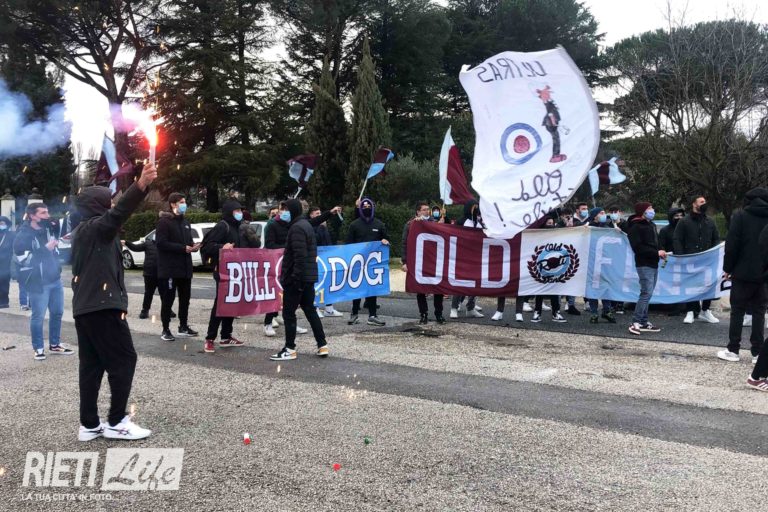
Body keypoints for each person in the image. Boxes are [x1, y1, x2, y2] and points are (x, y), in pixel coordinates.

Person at [71, 163, 157, 441]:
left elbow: (115, 216)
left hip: (88, 308)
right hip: (102, 307)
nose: (111, 205)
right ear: (97, 206)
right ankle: (117, 421)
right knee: (125, 359)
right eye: (107, 201)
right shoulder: (94, 228)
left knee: (92, 366)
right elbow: (118, 213)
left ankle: (89, 424)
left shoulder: (88, 230)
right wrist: (140, 185)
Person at [269, 199, 329, 361]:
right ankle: (322, 344)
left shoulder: (296, 228)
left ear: (293, 210)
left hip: (297, 279)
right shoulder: (305, 225)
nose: (283, 213)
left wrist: (294, 278)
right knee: (310, 310)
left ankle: (289, 348)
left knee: (288, 313)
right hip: (308, 277)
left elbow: (299, 256)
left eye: (286, 209)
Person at [13, 203, 72, 360]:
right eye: (43, 213)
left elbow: (65, 227)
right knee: (38, 316)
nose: (48, 215)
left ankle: (55, 344)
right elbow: (24, 260)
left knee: (57, 313)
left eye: (47, 212)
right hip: (38, 282)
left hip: (55, 280)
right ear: (32, 216)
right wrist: (45, 249)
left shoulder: (49, 228)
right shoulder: (22, 235)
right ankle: (38, 348)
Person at [720, 188, 768, 364]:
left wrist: (728, 268)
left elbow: (732, 245)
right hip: (764, 273)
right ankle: (757, 352)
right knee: (759, 312)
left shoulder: (740, 216)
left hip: (742, 271)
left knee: (738, 311)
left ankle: (733, 349)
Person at [202, 199, 248, 353]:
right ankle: (210, 338)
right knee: (220, 304)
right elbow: (208, 246)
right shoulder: (222, 226)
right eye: (237, 211)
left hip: (235, 271)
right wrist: (222, 246)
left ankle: (226, 336)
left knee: (232, 302)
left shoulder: (238, 227)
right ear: (229, 212)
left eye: (240, 211)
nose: (240, 214)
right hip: (222, 271)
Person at [156, 193, 200, 341]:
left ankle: (183, 326)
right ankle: (165, 329)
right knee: (168, 300)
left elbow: (188, 242)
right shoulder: (164, 222)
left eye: (184, 202)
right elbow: (161, 243)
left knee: (185, 299)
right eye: (181, 202)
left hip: (185, 268)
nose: (184, 205)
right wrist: (182, 248)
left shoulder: (185, 222)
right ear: (173, 204)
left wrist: (194, 246)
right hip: (170, 269)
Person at [674, 196, 720, 324]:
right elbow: (677, 239)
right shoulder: (684, 221)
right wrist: (681, 256)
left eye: (705, 201)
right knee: (691, 285)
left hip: (707, 260)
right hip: (690, 259)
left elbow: (716, 238)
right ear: (694, 204)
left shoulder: (710, 221)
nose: (704, 204)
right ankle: (690, 311)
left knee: (708, 284)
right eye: (701, 202)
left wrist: (714, 252)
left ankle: (705, 310)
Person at [346, 197, 390, 326]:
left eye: (369, 207)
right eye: (364, 207)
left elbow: (386, 239)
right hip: (358, 263)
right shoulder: (354, 225)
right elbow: (349, 244)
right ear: (360, 209)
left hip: (373, 264)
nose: (366, 209)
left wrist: (385, 241)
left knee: (372, 289)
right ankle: (354, 314)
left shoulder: (379, 224)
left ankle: (372, 315)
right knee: (357, 288)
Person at [402, 201, 445, 324]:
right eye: (424, 209)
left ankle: (439, 314)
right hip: (418, 260)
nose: (427, 211)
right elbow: (404, 243)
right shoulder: (410, 224)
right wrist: (404, 261)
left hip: (433, 260)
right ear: (418, 211)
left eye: (427, 209)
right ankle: (423, 314)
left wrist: (442, 224)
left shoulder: (434, 222)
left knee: (438, 288)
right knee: (420, 288)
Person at [627, 202, 666, 335]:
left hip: (653, 263)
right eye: (649, 208)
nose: (652, 210)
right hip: (644, 264)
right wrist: (656, 252)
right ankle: (635, 322)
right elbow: (638, 248)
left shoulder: (651, 225)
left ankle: (643, 322)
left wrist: (661, 250)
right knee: (646, 293)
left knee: (648, 293)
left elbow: (656, 242)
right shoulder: (636, 227)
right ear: (642, 211)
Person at [450, 199, 485, 319]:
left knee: (475, 284)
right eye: (474, 207)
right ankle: (454, 308)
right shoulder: (461, 221)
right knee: (460, 283)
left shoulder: (479, 223)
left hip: (476, 257)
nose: (476, 210)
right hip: (462, 257)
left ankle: (470, 308)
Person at [531, 216, 567, 323]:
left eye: (552, 223)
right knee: (540, 291)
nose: (551, 225)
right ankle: (537, 312)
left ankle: (556, 312)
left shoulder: (557, 235)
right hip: (541, 268)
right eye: (548, 223)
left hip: (555, 269)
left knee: (554, 291)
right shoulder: (538, 235)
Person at [309, 206, 341, 318]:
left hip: (326, 258)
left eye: (320, 213)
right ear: (311, 215)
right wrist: (320, 228)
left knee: (328, 282)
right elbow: (315, 240)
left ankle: (329, 308)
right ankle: (316, 307)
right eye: (317, 214)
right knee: (317, 284)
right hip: (316, 259)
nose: (319, 216)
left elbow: (332, 238)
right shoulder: (310, 227)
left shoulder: (324, 227)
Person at [584, 207, 616, 324]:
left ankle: (606, 310)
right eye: (601, 213)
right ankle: (594, 312)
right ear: (595, 216)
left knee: (606, 286)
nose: (604, 215)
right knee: (593, 287)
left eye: (604, 212)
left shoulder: (607, 227)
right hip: (592, 262)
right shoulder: (588, 227)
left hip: (605, 262)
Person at [123, 223, 160, 319]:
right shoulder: (148, 244)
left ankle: (167, 309)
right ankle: (145, 310)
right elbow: (136, 248)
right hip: (149, 273)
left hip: (162, 273)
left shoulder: (165, 245)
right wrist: (126, 242)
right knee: (148, 293)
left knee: (165, 293)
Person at [0, 216, 13, 308]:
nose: (0, 225)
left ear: (7, 224)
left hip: (6, 263)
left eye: (2, 223)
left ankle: (4, 302)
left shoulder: (11, 235)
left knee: (4, 282)